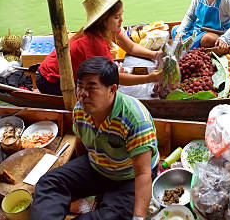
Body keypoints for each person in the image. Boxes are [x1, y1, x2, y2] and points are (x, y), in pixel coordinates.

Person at [32, 56, 158, 220]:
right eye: (80, 86)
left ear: (112, 90)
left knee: (112, 216)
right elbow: (81, 143)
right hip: (97, 166)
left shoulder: (135, 119)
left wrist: (139, 218)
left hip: (129, 176)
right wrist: (80, 175)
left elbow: (143, 173)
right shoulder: (80, 110)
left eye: (91, 88)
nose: (83, 94)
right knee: (49, 184)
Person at [37, 0, 162, 95]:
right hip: (50, 80)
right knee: (101, 91)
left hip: (62, 73)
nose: (122, 21)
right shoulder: (95, 43)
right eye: (117, 17)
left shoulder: (110, 28)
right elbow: (114, 78)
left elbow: (131, 47)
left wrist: (156, 55)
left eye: (121, 15)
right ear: (103, 21)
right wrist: (150, 78)